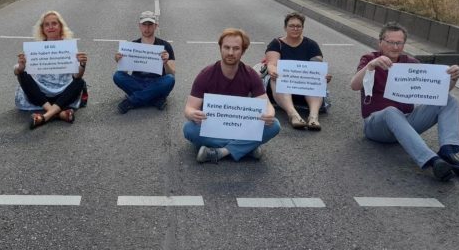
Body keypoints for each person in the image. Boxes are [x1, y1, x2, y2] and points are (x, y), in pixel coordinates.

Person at [349, 22, 459, 181]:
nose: (395, 47)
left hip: (406, 121)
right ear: (380, 42)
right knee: (391, 111)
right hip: (376, 124)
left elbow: (435, 94)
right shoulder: (370, 59)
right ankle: (432, 160)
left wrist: (452, 79)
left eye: (399, 43)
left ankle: (447, 151)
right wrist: (371, 66)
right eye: (390, 42)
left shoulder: (411, 63)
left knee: (450, 100)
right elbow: (354, 85)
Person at [183, 28, 280, 163]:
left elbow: (267, 105)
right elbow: (189, 108)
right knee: (189, 129)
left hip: (239, 127)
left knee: (274, 125)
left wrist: (269, 114)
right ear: (220, 48)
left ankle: (221, 152)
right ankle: (247, 148)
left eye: (236, 48)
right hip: (213, 128)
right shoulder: (206, 74)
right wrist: (193, 114)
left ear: (243, 51)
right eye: (226, 47)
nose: (230, 52)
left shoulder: (250, 74)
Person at [15, 10, 88, 129]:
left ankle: (44, 117)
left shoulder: (68, 46)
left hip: (63, 93)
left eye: (54, 23)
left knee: (79, 82)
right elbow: (16, 71)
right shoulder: (36, 48)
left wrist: (82, 64)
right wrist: (21, 67)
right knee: (22, 75)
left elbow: (77, 76)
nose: (50, 27)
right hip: (41, 95)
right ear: (42, 29)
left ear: (60, 26)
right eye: (46, 25)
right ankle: (59, 113)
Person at [264, 12, 331, 131]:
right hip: (281, 88)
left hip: (303, 87)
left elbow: (316, 67)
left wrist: (323, 76)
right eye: (291, 26)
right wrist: (273, 71)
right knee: (277, 78)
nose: (295, 28)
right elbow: (272, 64)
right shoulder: (276, 43)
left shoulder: (311, 45)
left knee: (316, 80)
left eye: (298, 26)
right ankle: (293, 114)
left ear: (302, 28)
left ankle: (313, 116)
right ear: (285, 28)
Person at [113, 11, 175, 113]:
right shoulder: (132, 45)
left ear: (155, 26)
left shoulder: (165, 45)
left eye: (150, 25)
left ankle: (132, 101)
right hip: (137, 81)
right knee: (117, 76)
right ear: (139, 26)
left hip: (157, 82)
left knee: (170, 80)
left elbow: (171, 73)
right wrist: (119, 60)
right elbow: (123, 72)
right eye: (144, 25)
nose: (147, 28)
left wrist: (165, 62)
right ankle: (154, 99)